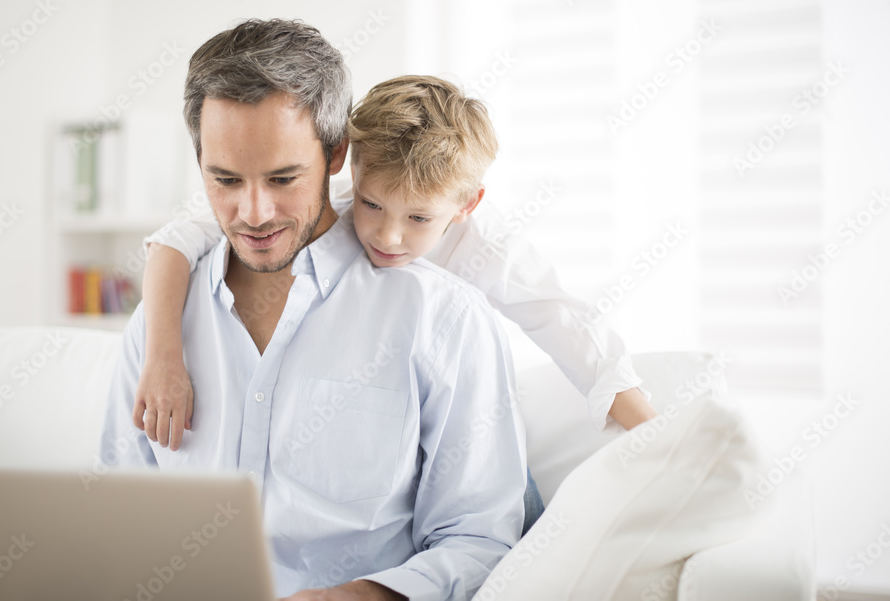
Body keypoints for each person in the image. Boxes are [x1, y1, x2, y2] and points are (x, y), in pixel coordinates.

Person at [99, 19, 527, 601]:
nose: (253, 212)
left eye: (283, 178)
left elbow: (480, 538)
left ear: (336, 154)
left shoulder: (443, 320)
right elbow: (117, 519)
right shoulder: (161, 324)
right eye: (224, 179)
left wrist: (359, 595)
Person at [133, 81, 658, 457]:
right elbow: (175, 239)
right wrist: (163, 358)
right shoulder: (326, 202)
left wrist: (659, 440)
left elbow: (568, 326)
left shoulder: (489, 247)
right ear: (352, 169)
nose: (387, 236)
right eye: (372, 205)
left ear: (466, 205)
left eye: (419, 219)